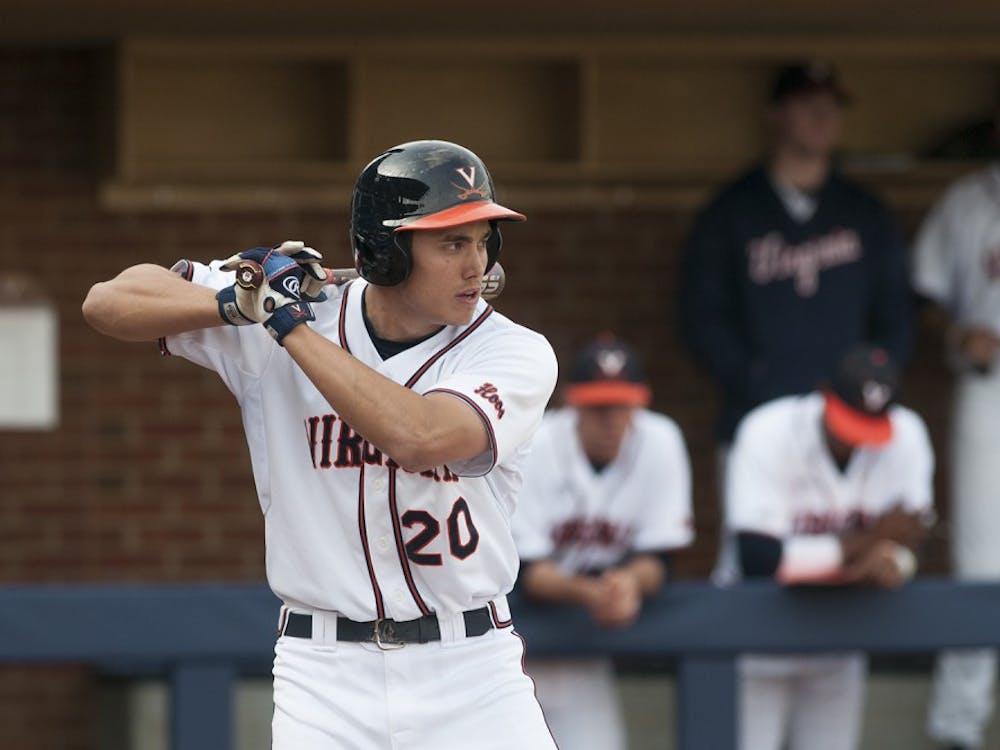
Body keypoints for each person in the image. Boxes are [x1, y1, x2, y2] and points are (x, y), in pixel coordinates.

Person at [81, 140, 560, 749]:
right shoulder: (287, 316)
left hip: (470, 669)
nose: (477, 264)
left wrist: (285, 325)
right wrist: (236, 303)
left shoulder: (513, 350)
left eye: (482, 239)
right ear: (385, 252)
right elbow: (110, 301)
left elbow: (421, 436)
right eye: (451, 242)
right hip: (324, 672)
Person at [679, 62, 914, 448]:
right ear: (775, 114)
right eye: (807, 105)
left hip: (853, 416)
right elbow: (701, 316)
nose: (822, 117)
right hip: (757, 416)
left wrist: (871, 382)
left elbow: (897, 312)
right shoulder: (730, 211)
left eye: (831, 106)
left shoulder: (865, 212)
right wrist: (751, 377)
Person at [719, 344, 934, 750]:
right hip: (756, 638)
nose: (855, 440)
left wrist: (895, 562)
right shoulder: (767, 430)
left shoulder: (908, 435)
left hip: (840, 637)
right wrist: (871, 540)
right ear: (823, 395)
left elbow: (914, 544)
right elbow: (760, 560)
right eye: (848, 422)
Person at [510, 335, 694, 750]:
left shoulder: (660, 440)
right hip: (515, 650)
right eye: (598, 406)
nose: (611, 419)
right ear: (573, 402)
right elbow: (526, 572)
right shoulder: (535, 443)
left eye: (621, 405)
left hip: (583, 655)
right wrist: (594, 593)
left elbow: (661, 558)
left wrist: (627, 584)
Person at [913, 91, 1000, 750]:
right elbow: (923, 294)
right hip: (987, 385)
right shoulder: (970, 200)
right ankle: (959, 728)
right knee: (981, 558)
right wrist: (960, 333)